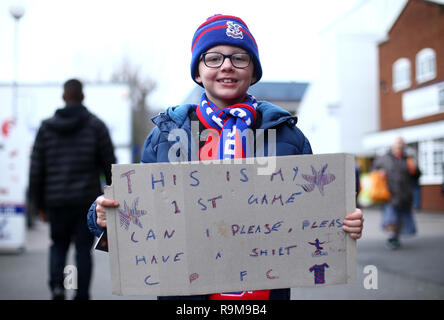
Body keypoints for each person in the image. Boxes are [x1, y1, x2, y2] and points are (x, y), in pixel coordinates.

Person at [87, 14, 363, 300]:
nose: (227, 65)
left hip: (263, 294)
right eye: (213, 58)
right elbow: (141, 213)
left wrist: (344, 224)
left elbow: (315, 214)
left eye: (239, 58)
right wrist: (103, 218)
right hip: (186, 296)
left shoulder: (287, 136)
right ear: (197, 72)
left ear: (254, 72)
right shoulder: (166, 136)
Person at [29, 79, 116, 300]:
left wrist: (37, 204)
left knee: (58, 245)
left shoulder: (46, 128)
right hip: (84, 201)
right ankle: (80, 293)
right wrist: (113, 196)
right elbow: (110, 166)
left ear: (63, 97)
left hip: (55, 202)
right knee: (81, 251)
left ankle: (59, 287)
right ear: (83, 96)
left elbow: (36, 169)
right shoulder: (96, 126)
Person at [372, 136, 420, 250]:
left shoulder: (409, 159)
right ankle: (391, 236)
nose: (399, 146)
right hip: (389, 194)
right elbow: (373, 170)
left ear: (404, 147)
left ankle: (395, 237)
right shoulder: (384, 159)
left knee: (400, 218)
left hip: (405, 194)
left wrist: (415, 169)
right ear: (393, 146)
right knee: (391, 217)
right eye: (397, 144)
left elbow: (417, 176)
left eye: (401, 144)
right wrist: (379, 173)